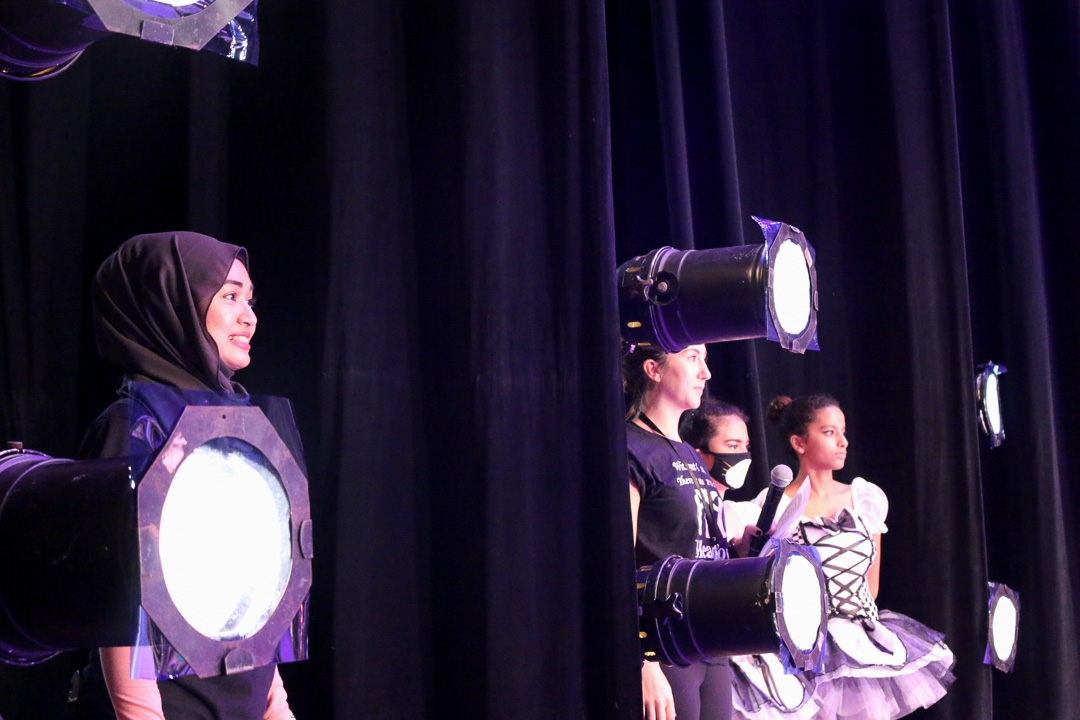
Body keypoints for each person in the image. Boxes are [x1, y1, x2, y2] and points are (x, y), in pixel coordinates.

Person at [77, 231, 295, 720]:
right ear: (171, 304)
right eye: (230, 296)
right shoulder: (132, 427)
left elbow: (255, 587)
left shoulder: (237, 425)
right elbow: (118, 601)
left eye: (250, 300)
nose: (249, 317)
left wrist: (275, 706)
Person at [730, 394, 955, 720]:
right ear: (799, 443)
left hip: (858, 640)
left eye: (843, 431)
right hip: (804, 644)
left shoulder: (865, 498)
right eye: (829, 432)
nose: (843, 442)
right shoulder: (774, 505)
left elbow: (871, 586)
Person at [623, 343, 732, 720]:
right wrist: (643, 660)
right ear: (654, 370)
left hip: (709, 641)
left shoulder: (686, 451)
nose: (706, 372)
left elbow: (694, 544)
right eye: (692, 358)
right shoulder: (631, 447)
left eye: (705, 359)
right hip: (664, 644)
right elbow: (618, 562)